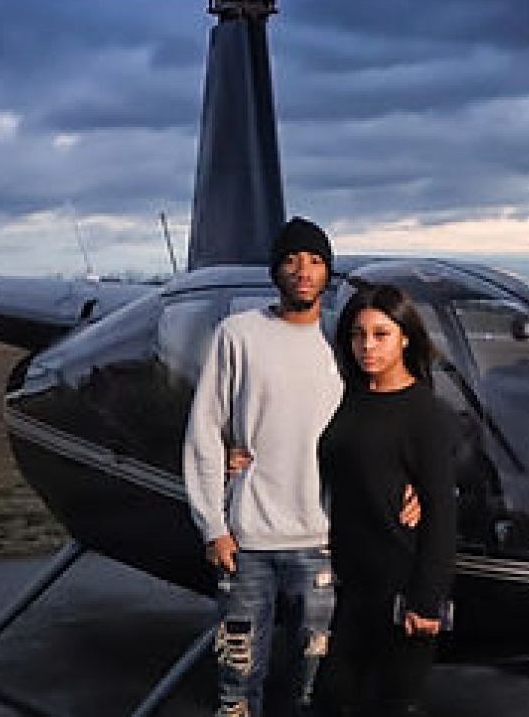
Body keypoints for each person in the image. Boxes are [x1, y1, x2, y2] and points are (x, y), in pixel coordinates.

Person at [182, 217, 343, 717]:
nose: (303, 271)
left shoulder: (343, 342)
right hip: (247, 543)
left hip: (321, 543)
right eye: (292, 260)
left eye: (315, 261)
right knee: (237, 682)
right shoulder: (239, 335)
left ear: (327, 273)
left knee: (313, 685)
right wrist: (213, 526)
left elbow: (377, 426)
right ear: (275, 270)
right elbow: (205, 428)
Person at [314, 283, 458, 717]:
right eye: (358, 335)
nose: (367, 346)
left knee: (392, 705)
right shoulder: (352, 399)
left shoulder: (425, 413)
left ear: (406, 338)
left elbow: (442, 514)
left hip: (402, 590)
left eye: (381, 334)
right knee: (332, 698)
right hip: (354, 587)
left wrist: (427, 599)